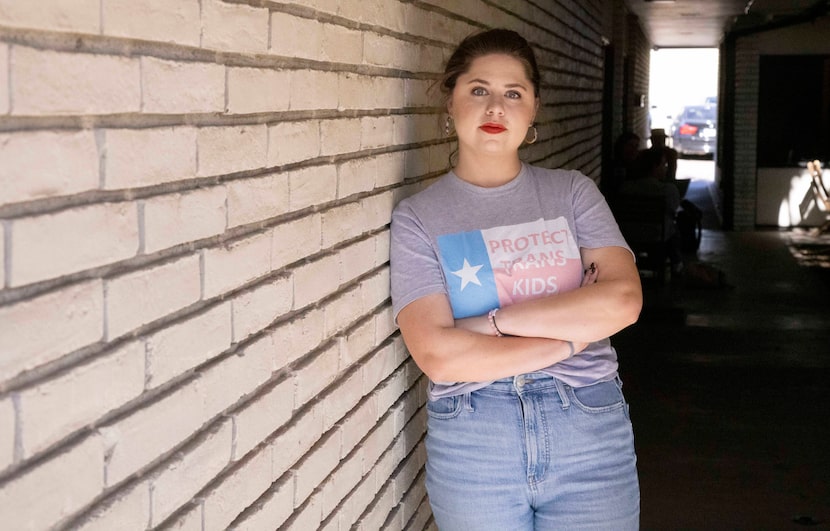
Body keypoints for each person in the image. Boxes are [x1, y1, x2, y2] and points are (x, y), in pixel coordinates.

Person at [390, 28, 642, 530]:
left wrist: (491, 325)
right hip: (473, 435)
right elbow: (438, 355)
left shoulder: (572, 193)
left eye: (513, 94)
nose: (495, 108)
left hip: (588, 426)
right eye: (478, 90)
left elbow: (623, 301)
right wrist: (571, 338)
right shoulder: (418, 216)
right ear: (450, 101)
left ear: (533, 112)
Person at [622, 147, 684, 275]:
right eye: (663, 164)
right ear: (655, 166)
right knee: (674, 228)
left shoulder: (626, 188)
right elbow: (674, 210)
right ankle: (677, 264)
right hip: (657, 235)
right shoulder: (667, 190)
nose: (665, 168)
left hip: (629, 234)